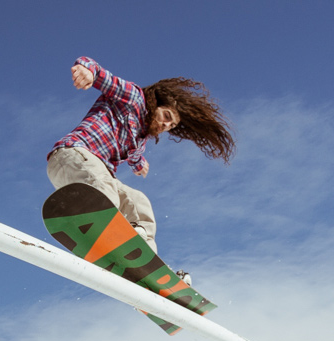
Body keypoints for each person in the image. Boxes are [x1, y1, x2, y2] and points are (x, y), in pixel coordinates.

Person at [47, 57, 236, 254]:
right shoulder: (134, 98)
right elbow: (106, 78)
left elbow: (134, 156)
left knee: (138, 201)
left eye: (171, 126)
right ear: (156, 104)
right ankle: (103, 234)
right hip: (72, 156)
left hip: (90, 173)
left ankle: (143, 255)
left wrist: (139, 164)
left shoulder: (140, 141)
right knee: (105, 187)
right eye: (166, 117)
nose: (165, 125)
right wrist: (88, 71)